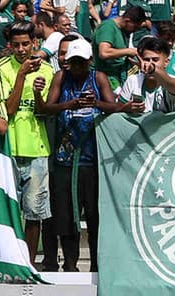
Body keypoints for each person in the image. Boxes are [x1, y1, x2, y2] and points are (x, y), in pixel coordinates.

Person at [40, 38, 116, 272]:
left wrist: (97, 103)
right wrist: (69, 105)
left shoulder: (98, 78)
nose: (78, 67)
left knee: (94, 216)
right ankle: (70, 265)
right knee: (66, 217)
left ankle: (97, 266)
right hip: (65, 160)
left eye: (82, 63)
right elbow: (45, 109)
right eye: (74, 63)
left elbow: (114, 108)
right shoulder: (61, 79)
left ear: (90, 61)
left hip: (92, 160)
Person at [0, 21, 54, 266]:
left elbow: (45, 111)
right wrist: (21, 75)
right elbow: (6, 109)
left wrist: (38, 94)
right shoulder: (0, 68)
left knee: (34, 213)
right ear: (10, 45)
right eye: (16, 45)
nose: (21, 49)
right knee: (7, 212)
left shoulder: (48, 70)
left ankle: (28, 264)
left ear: (34, 43)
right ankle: (7, 261)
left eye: (25, 44)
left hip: (37, 148)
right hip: (7, 149)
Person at [118, 37, 175, 113]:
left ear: (166, 62)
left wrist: (152, 69)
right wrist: (126, 108)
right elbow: (119, 109)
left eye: (155, 60)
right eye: (146, 60)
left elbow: (171, 84)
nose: (149, 63)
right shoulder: (133, 80)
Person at [92, 6, 147, 88]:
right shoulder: (108, 27)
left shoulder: (123, 31)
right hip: (105, 76)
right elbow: (104, 53)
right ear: (127, 21)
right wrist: (128, 51)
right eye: (135, 27)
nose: (135, 31)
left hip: (118, 75)